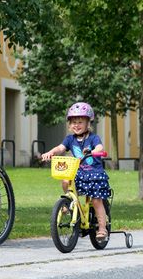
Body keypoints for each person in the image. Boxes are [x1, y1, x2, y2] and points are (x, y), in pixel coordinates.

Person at [41, 102, 110, 241]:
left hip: (94, 174)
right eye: (73, 122)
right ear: (69, 124)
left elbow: (100, 148)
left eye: (80, 122)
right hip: (78, 173)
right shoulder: (69, 139)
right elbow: (60, 148)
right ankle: (69, 202)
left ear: (88, 123)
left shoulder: (93, 138)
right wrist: (50, 152)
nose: (76, 125)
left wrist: (93, 151)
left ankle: (102, 228)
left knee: (96, 201)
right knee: (66, 180)